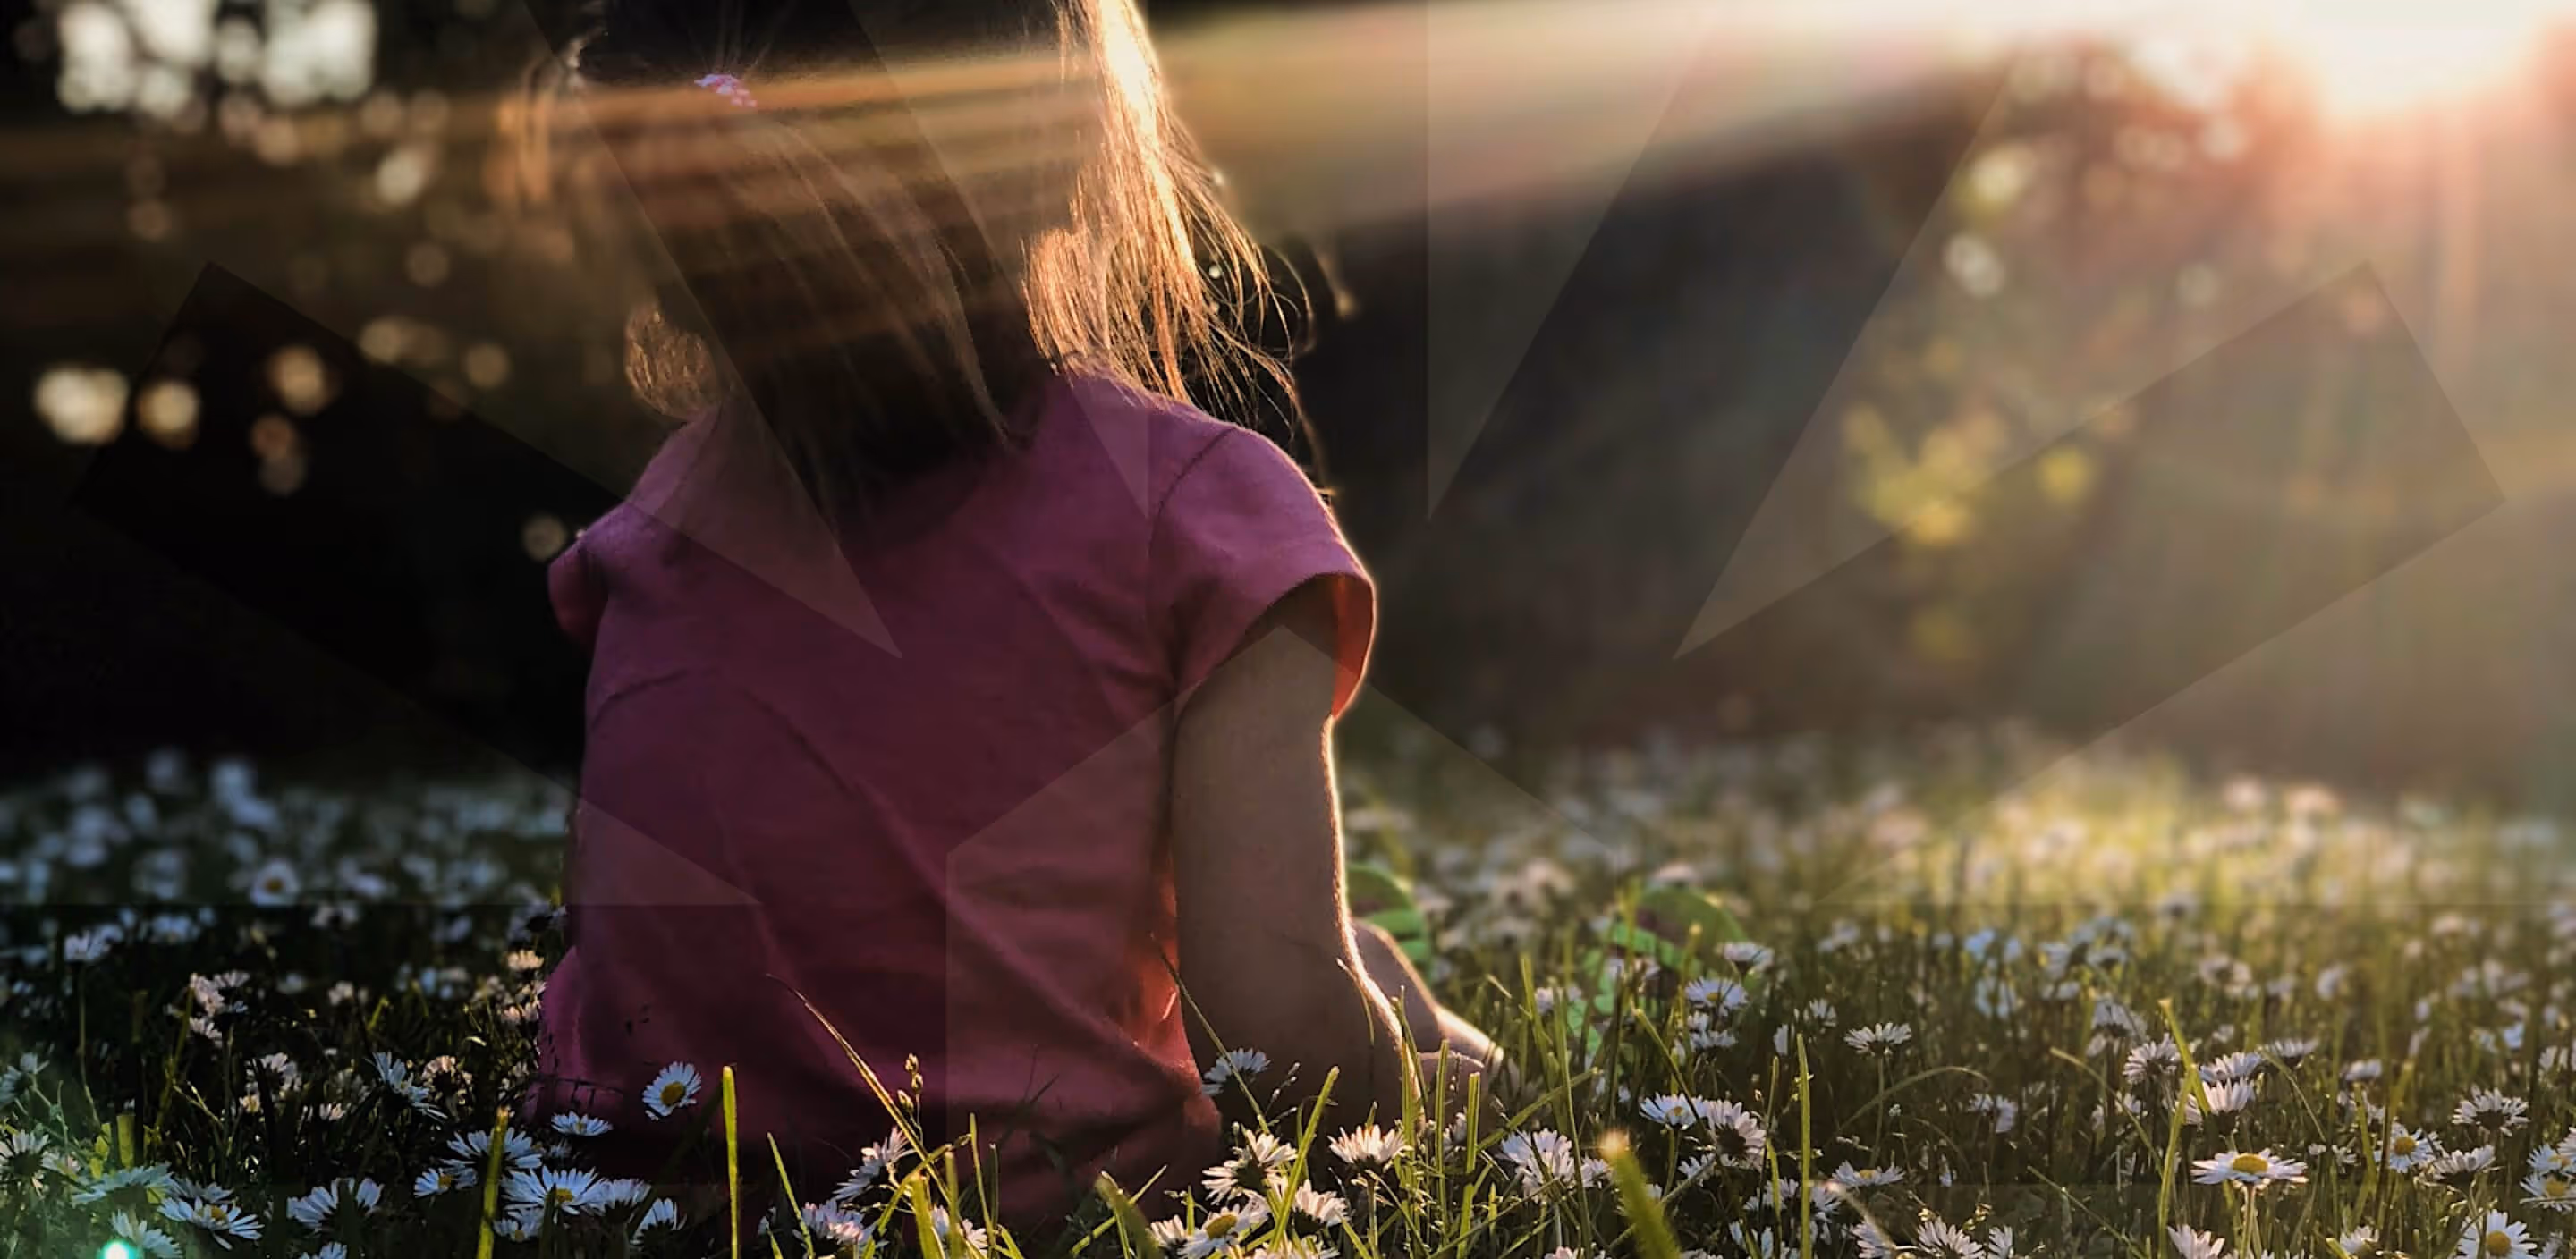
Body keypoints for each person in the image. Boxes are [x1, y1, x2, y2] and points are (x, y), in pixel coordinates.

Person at [519, 0, 1500, 1226]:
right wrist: (1458, 1089)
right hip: (1039, 1218)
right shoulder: (1196, 515)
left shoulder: (651, 530)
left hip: (632, 1211)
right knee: (1395, 1017)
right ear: (1074, 152)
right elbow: (1285, 1055)